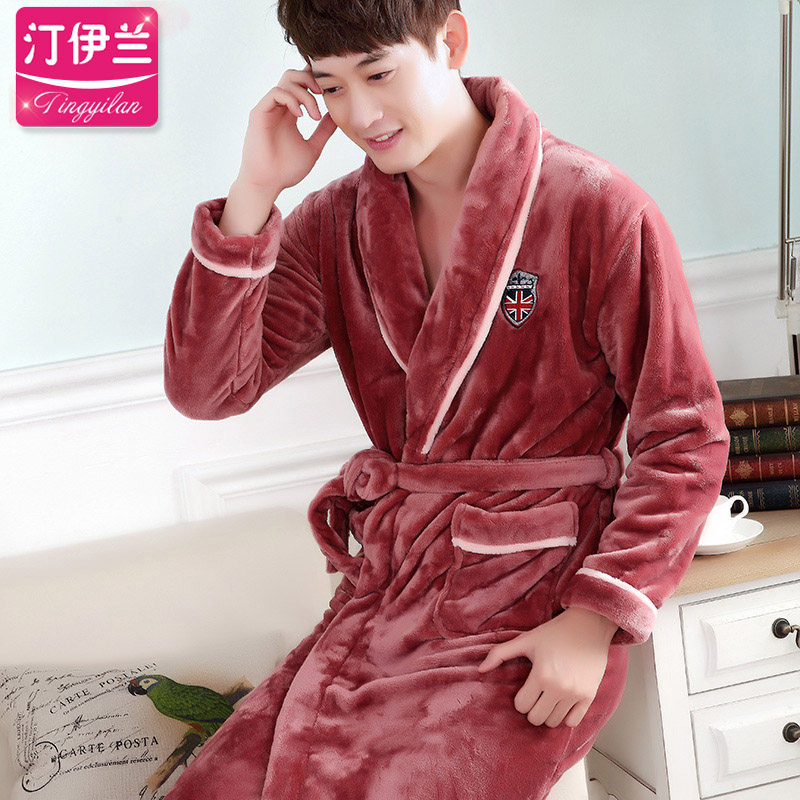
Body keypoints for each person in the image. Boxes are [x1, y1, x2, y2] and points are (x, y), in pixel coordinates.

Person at [162, 1, 730, 798]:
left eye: (379, 73)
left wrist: (592, 622)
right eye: (332, 86)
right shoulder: (335, 226)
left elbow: (685, 435)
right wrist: (255, 190)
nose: (362, 114)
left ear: (451, 41)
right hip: (391, 591)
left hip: (532, 602)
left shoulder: (594, 205)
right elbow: (207, 389)